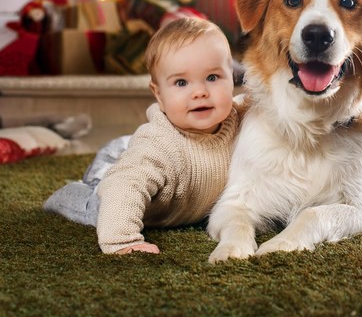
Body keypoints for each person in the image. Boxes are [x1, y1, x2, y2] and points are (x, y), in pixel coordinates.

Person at [44, 17, 242, 254]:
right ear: (158, 95)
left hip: (130, 147)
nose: (199, 92)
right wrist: (122, 240)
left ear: (232, 77)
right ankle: (66, 194)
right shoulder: (160, 147)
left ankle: (123, 148)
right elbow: (124, 186)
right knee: (96, 205)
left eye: (212, 77)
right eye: (181, 82)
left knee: (130, 155)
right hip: (118, 184)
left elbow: (266, 99)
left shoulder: (239, 118)